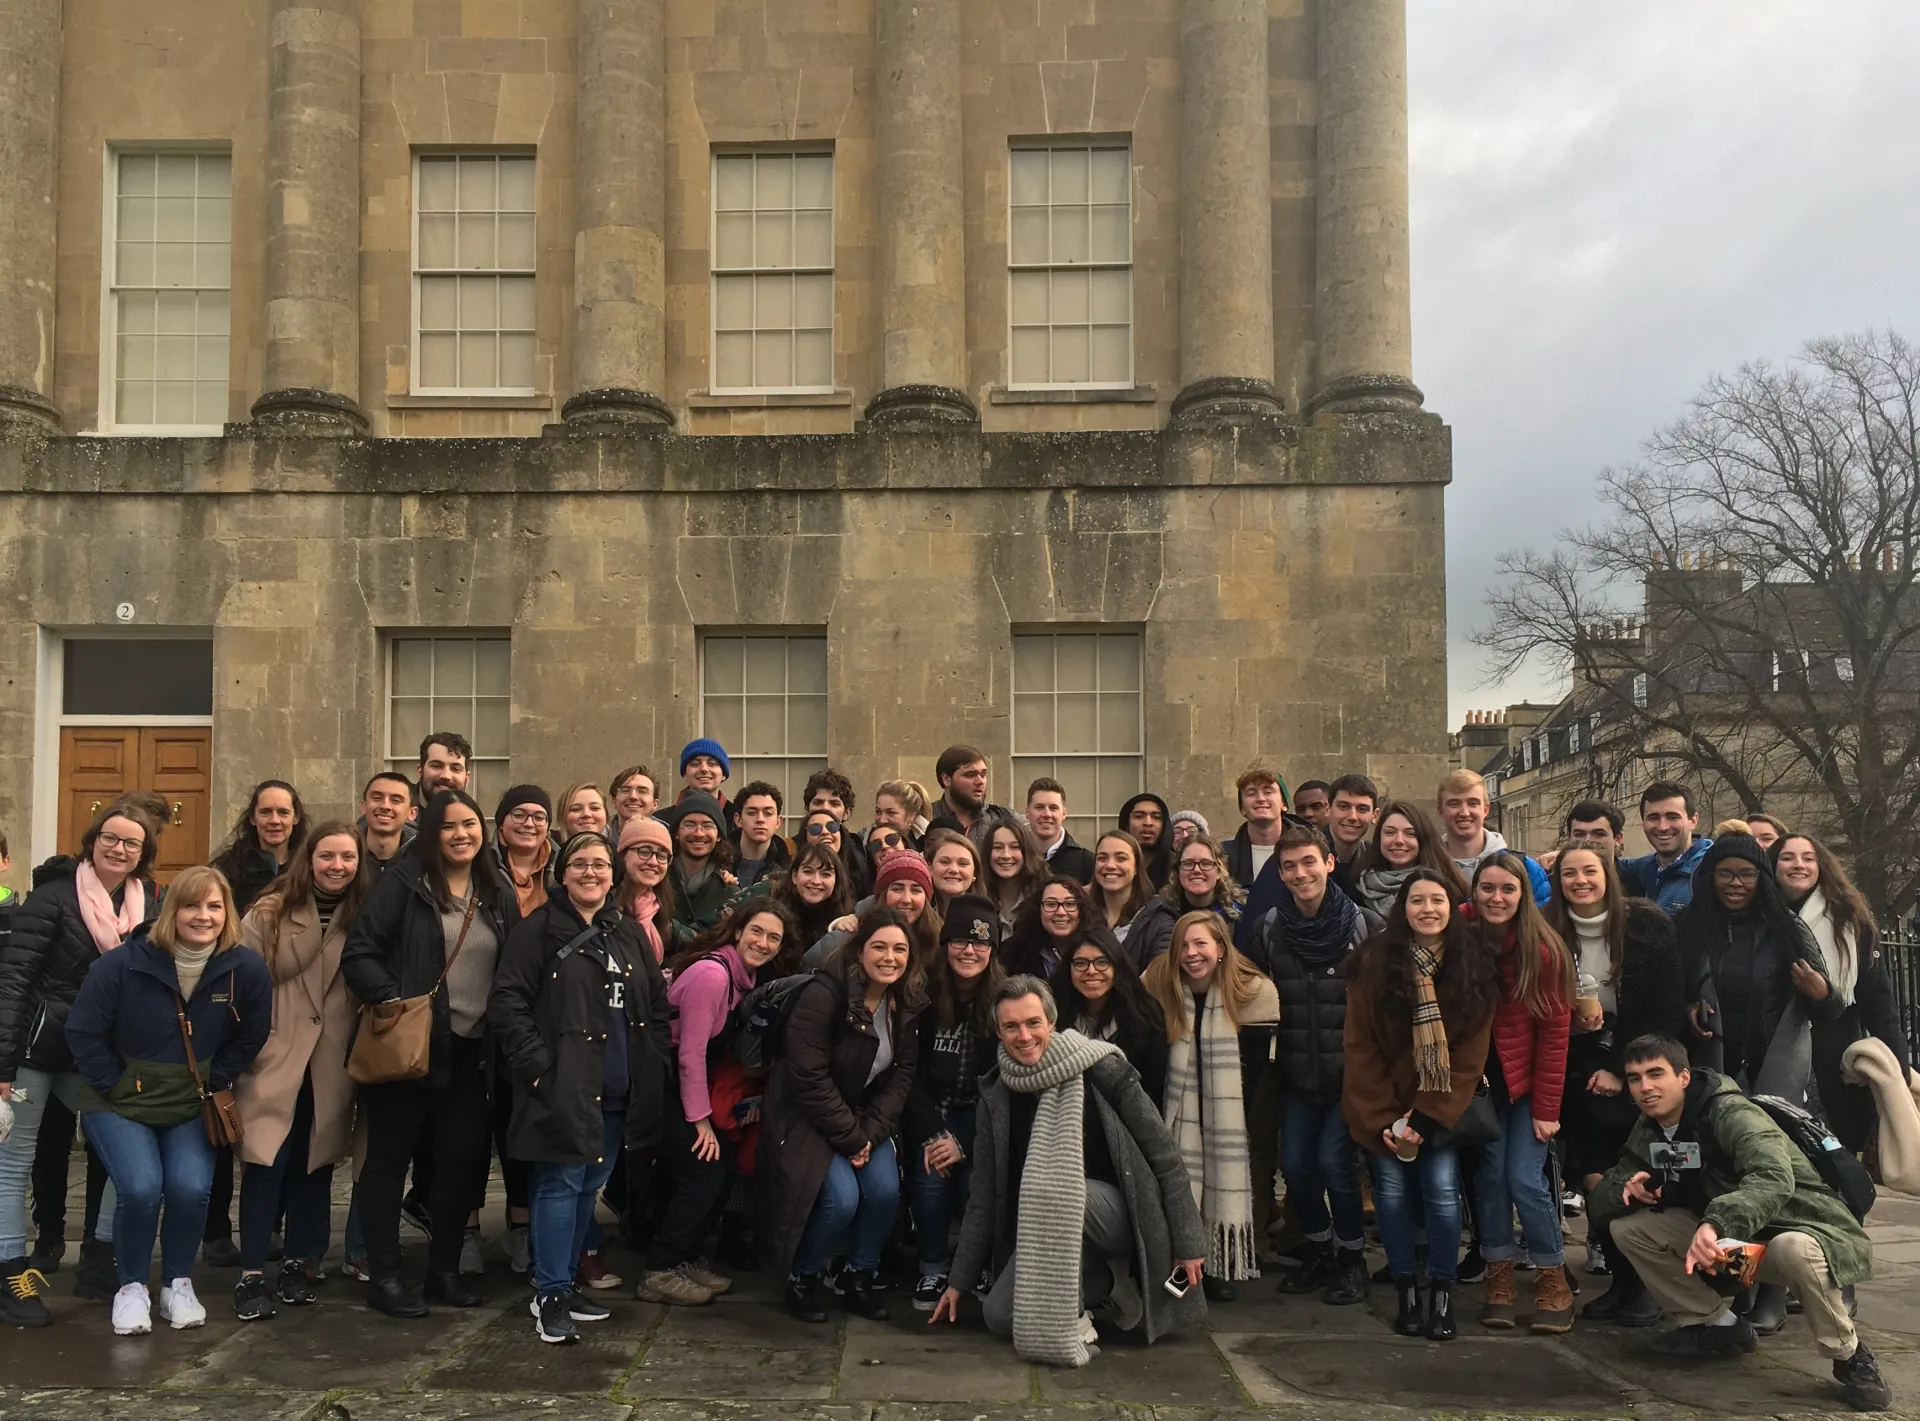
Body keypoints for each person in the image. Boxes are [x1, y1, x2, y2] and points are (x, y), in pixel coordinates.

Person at [1589, 1036, 1890, 1411]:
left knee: (1799, 1250)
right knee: (1629, 1229)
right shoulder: (1649, 1128)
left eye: (1656, 1074)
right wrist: (1626, 1190)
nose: (1645, 1087)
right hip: (1730, 1248)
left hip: (1784, 1233)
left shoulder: (1730, 1112)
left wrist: (1715, 1222)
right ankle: (1718, 1326)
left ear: (1683, 1077)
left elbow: (1773, 1176)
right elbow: (1601, 1204)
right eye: (1635, 1079)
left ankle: (1849, 1355)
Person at [929, 976, 1208, 1368]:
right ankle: (1112, 1285)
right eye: (1011, 1026)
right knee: (999, 1315)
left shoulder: (1101, 1068)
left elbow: (1166, 1157)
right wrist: (958, 1282)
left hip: (1119, 1215)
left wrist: (1189, 1243)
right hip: (1053, 1224)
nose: (1024, 1036)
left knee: (1057, 1189)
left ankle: (1073, 1319)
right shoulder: (997, 1093)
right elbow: (983, 1196)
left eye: (1033, 1023)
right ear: (998, 1032)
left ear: (1051, 1023)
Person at [66, 865, 271, 1336]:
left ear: (228, 912)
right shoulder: (121, 964)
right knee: (139, 1187)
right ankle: (132, 1287)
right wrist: (115, 1083)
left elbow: (253, 1032)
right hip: (118, 1099)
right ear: (171, 910)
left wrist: (216, 1078)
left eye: (215, 906)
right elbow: (83, 1031)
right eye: (192, 905)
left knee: (188, 1187)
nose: (204, 916)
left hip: (190, 1099)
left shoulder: (245, 968)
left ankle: (177, 1282)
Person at [490, 831, 668, 1343]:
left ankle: (565, 1283)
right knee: (560, 1185)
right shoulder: (537, 931)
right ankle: (548, 1292)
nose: (591, 873)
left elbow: (655, 1004)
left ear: (614, 875)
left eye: (600, 865)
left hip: (618, 1089)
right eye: (580, 864)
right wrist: (540, 1068)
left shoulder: (627, 932)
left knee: (589, 1188)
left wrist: (649, 1064)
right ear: (563, 873)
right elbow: (508, 1004)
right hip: (565, 1087)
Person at [342, 790, 512, 1317]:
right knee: (388, 1164)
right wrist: (393, 998)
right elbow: (360, 952)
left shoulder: (494, 890)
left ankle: (443, 1272)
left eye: (470, 824)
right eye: (449, 826)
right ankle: (386, 1275)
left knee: (461, 1167)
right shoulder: (403, 884)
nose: (462, 834)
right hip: (409, 1047)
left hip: (469, 1053)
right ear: (431, 832)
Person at [0, 800, 163, 1323]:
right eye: (110, 838)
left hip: (96, 1055)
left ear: (144, 854)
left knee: (124, 1147)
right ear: (93, 841)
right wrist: (2, 1065)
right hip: (35, 1053)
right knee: (13, 1162)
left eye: (131, 843)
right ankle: (9, 1273)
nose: (119, 849)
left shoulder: (149, 905)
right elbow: (14, 982)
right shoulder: (53, 897)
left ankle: (101, 1256)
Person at [1342, 869, 1499, 1341]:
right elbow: (1360, 1044)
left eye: (1437, 900)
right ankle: (1407, 1290)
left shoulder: (1473, 962)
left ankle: (1443, 1294)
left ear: (1452, 908)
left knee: (1442, 1190)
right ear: (1403, 908)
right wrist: (1387, 1118)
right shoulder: (1373, 961)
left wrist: (1425, 1118)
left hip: (1441, 1107)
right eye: (1417, 901)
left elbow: (1471, 1052)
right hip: (1385, 1106)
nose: (1427, 909)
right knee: (1389, 1192)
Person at [1542, 845, 1687, 1324]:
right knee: (1589, 1168)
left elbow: (1665, 1007)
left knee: (1628, 1170)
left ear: (1607, 874)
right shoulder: (1549, 927)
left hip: (1637, 1057)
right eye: (1569, 873)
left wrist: (1620, 1066)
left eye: (1589, 871)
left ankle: (1643, 1283)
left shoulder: (1646, 925)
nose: (1580, 880)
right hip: (1577, 1057)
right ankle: (1622, 1281)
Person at [230, 823, 369, 1321]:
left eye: (347, 858)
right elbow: (240, 979)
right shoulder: (269, 911)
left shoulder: (365, 913)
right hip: (276, 1053)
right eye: (327, 856)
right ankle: (250, 1275)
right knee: (267, 1163)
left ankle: (298, 1263)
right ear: (308, 859)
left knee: (316, 1163)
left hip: (331, 1058)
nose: (337, 867)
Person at [761, 907, 927, 1324]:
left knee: (885, 1190)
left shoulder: (905, 1002)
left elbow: (900, 1077)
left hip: (863, 1119)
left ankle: (859, 1277)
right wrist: (852, 1138)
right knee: (841, 1200)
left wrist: (869, 1134)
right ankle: (802, 1277)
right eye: (880, 947)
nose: (890, 957)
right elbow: (808, 1076)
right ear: (860, 950)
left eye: (900, 949)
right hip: (806, 1116)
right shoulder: (826, 993)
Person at [647, 901, 797, 1305]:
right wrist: (700, 1122)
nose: (763, 943)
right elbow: (689, 1054)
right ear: (737, 931)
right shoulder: (713, 975)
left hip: (685, 1086)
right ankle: (660, 1269)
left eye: (773, 938)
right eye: (757, 932)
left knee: (724, 1168)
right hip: (665, 1087)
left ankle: (687, 1257)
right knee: (704, 1172)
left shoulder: (742, 978)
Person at [1257, 826, 1378, 1306]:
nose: (1300, 873)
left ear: (1329, 863)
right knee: (1296, 1167)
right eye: (1289, 866)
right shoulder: (1271, 927)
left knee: (1335, 1165)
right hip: (1295, 1074)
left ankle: (1352, 1259)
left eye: (1309, 862)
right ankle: (1322, 1248)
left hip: (1347, 1076)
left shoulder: (1364, 925)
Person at [1140, 912, 1280, 1302]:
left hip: (1231, 1109)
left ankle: (1218, 1262)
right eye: (1183, 945)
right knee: (1180, 1172)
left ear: (1221, 948)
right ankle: (1181, 1256)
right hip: (1174, 1104)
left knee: (1219, 1166)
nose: (1191, 953)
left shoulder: (1254, 992)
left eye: (1201, 943)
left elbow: (1254, 1078)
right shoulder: (1155, 986)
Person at [1465, 852, 1577, 1334]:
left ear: (1522, 895)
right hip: (1480, 1086)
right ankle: (1499, 1275)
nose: (1496, 897)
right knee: (1490, 1181)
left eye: (1507, 889)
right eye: (1487, 888)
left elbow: (1555, 1033)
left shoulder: (1542, 948)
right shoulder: (1461, 936)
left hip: (1528, 1085)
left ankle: (1553, 1276)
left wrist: (1548, 1109)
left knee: (1525, 1180)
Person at [1774, 835, 1909, 1153]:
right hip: (1776, 1056)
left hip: (1835, 1062)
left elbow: (1878, 1003)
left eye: (1808, 858)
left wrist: (1897, 1072)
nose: (1799, 865)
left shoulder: (1850, 922)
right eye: (1787, 857)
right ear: (1772, 865)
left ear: (1821, 865)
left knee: (1840, 1161)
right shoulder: (1760, 919)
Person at [904, 896, 1005, 1309]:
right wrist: (933, 1133)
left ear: (992, 950)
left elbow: (1004, 1084)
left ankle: (979, 1266)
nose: (969, 950)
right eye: (960, 940)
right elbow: (905, 1073)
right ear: (945, 944)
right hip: (930, 1112)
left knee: (974, 1184)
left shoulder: (1006, 999)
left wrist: (962, 1140)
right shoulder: (921, 995)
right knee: (930, 1179)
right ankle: (932, 1268)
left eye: (980, 943)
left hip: (982, 1119)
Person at [1673, 834, 1834, 1092]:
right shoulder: (1685, 927)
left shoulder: (1787, 928)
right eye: (1725, 873)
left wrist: (1822, 994)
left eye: (1747, 874)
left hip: (1771, 1067)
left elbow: (1830, 1009)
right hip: (1701, 1068)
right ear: (1710, 877)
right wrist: (1686, 1010)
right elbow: (1665, 995)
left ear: (1762, 879)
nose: (1736, 883)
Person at [1049, 934, 1169, 1104]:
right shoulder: (1052, 1013)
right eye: (1081, 963)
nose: (1091, 971)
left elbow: (1153, 1085)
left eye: (1102, 962)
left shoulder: (1145, 1014)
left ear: (1117, 966)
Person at [806, 850, 941, 970]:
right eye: (897, 889)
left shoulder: (937, 939)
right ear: (882, 894)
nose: (906, 899)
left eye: (916, 890)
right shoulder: (847, 936)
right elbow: (805, 969)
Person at [1132, 831, 1246, 969]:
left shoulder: (1240, 914)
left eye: (1206, 863)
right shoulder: (1159, 913)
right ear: (1178, 872)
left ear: (1219, 871)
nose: (1197, 870)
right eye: (1188, 863)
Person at [1437, 770, 1550, 903]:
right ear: (1440, 811)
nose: (1464, 812)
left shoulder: (1526, 868)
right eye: (1454, 804)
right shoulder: (1426, 865)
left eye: (1473, 803)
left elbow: (1542, 919)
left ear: (1486, 809)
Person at [1349, 800, 1470, 919]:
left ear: (1423, 839)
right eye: (1390, 832)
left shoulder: (1448, 890)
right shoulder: (1357, 888)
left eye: (1410, 834)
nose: (1399, 841)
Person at [211, 779, 310, 919]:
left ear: (296, 818)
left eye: (283, 812)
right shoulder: (228, 868)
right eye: (265, 812)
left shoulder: (309, 866)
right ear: (253, 818)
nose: (274, 820)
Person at [730, 840, 854, 949]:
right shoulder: (768, 894)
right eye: (808, 871)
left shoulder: (844, 916)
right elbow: (719, 922)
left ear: (836, 880)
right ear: (794, 876)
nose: (816, 881)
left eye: (826, 874)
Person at [1002, 875, 1122, 983]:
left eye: (1069, 904)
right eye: (1051, 904)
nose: (1060, 912)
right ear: (1038, 910)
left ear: (1082, 910)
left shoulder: (1104, 948)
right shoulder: (1013, 952)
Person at [1620, 782, 1713, 914]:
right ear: (1643, 822)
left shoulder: (1711, 869)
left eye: (1672, 817)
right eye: (1653, 818)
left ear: (1693, 820)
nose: (1662, 827)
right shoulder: (1645, 867)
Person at [665, 793, 734, 938]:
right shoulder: (658, 880)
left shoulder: (729, 889)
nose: (698, 833)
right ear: (677, 832)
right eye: (689, 824)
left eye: (707, 825)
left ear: (719, 835)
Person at [615, 816, 677, 964]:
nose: (653, 862)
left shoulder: (661, 906)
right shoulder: (606, 904)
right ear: (623, 855)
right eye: (644, 851)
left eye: (662, 855)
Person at [971, 818, 1047, 938]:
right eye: (997, 847)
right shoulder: (974, 898)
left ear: (1026, 852)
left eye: (1015, 847)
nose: (1006, 855)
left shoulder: (1044, 896)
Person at [494, 785, 555, 920]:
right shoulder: (481, 864)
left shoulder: (564, 866)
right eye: (519, 815)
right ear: (501, 823)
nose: (528, 824)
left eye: (538, 818)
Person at [1024, 778, 1094, 884]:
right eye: (1039, 807)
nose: (1046, 814)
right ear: (1027, 812)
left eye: (1053, 808)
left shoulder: (1087, 862)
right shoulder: (1014, 857)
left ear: (1064, 814)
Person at [1091, 830, 1153, 947]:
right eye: (1102, 858)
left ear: (1136, 867)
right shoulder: (1081, 916)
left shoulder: (1156, 919)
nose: (1110, 865)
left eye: (1121, 858)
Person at [928, 746, 1009, 835]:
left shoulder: (1003, 818)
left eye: (983, 774)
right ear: (946, 779)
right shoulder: (925, 819)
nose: (980, 781)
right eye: (970, 775)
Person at [1325, 774, 1379, 894]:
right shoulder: (1302, 854)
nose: (1352, 817)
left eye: (1362, 809)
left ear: (1374, 815)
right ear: (1327, 809)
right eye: (1344, 806)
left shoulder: (1375, 861)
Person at [731, 782, 790, 891]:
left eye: (768, 813)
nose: (760, 819)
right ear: (738, 820)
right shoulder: (718, 865)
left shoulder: (788, 872)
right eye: (752, 813)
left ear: (778, 821)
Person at [358, 772, 418, 872]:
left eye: (395, 800)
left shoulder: (424, 860)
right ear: (363, 807)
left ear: (412, 813)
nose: (385, 806)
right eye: (377, 798)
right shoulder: (343, 854)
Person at [1117, 793, 1173, 892]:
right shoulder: (1113, 864)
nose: (1148, 823)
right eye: (1139, 816)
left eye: (1156, 817)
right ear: (1126, 824)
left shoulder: (1176, 866)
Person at [924, 828, 984, 913]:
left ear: (974, 871)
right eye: (945, 862)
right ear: (929, 867)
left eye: (963, 864)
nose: (953, 870)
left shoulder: (987, 917)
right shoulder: (916, 915)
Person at [677, 738, 734, 826]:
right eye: (695, 764)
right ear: (684, 774)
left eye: (712, 763)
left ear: (724, 774)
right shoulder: (662, 820)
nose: (704, 769)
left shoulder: (739, 819)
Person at [873, 779, 933, 848]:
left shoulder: (930, 849)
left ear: (911, 816)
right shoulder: (862, 845)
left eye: (891, 813)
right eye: (878, 812)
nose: (882, 820)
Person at [416, 733, 473, 802]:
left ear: (467, 779)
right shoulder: (402, 808)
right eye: (436, 766)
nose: (446, 776)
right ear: (420, 771)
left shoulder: (472, 811)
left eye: (456, 769)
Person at [609, 765, 659, 836]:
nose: (633, 796)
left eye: (642, 791)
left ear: (655, 804)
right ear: (614, 801)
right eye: (625, 790)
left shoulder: (673, 838)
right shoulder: (598, 836)